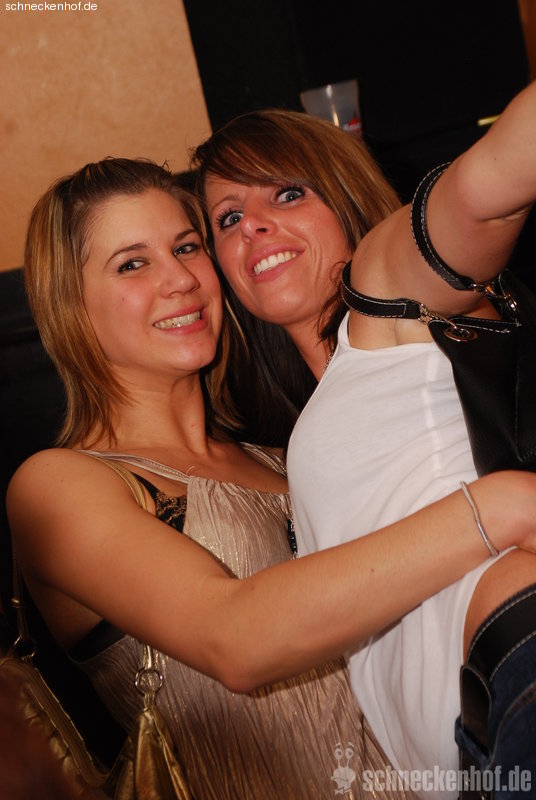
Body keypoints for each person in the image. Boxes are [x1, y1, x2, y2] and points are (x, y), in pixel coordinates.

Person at [6, 158, 536, 800]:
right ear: (70, 304)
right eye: (132, 263)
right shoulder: (59, 485)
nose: (180, 279)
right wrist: (496, 507)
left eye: (187, 247)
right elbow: (234, 639)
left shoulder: (287, 460)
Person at [192, 81, 536, 796]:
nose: (253, 226)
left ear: (345, 196)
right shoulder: (299, 429)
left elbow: (485, 192)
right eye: (228, 217)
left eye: (287, 194)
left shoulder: (382, 291)